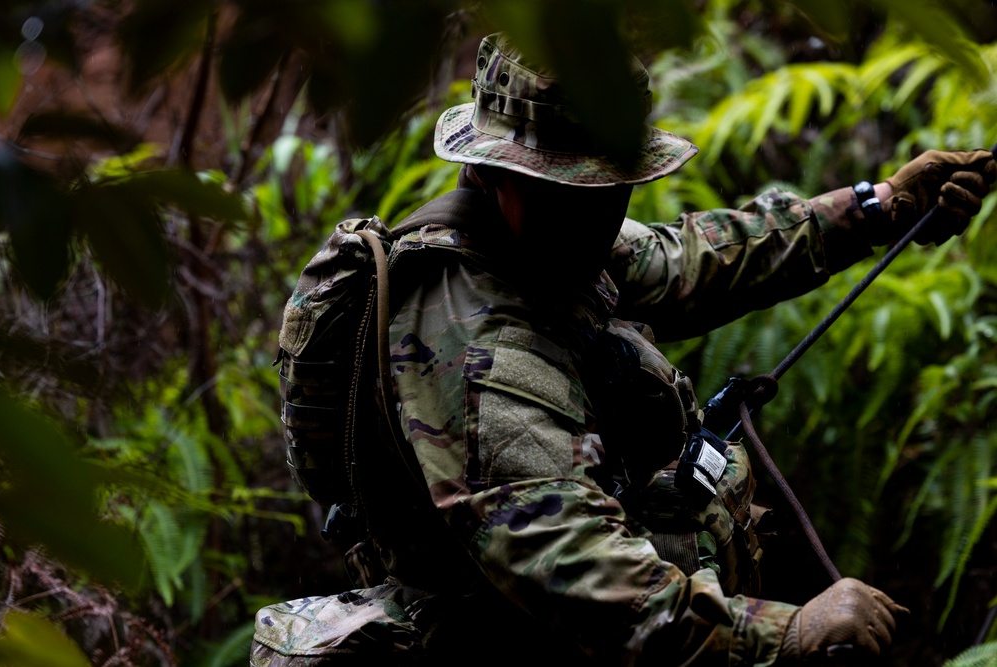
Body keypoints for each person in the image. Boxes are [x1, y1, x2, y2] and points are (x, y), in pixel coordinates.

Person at [268, 33, 996, 666]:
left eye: (613, 187)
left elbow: (689, 259)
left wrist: (873, 209)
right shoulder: (480, 349)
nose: (599, 212)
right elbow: (584, 580)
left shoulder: (549, 239)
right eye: (572, 190)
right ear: (492, 174)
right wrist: (788, 632)